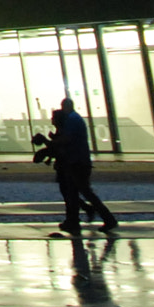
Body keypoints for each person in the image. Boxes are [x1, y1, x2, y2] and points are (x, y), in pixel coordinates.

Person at [36, 99, 116, 236]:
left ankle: (107, 219)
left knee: (83, 192)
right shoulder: (74, 119)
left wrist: (49, 142)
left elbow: (66, 140)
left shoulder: (72, 120)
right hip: (77, 161)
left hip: (77, 161)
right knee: (74, 193)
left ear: (66, 106)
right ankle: (74, 221)